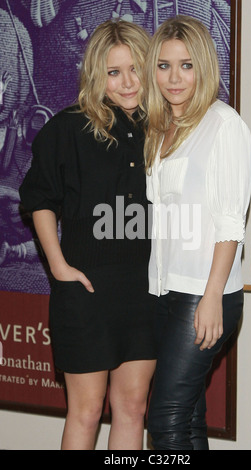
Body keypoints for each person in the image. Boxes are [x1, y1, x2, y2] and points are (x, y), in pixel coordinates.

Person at [19, 19, 157, 450]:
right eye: (115, 72)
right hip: (86, 291)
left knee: (133, 407)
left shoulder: (161, 130)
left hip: (145, 290)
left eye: (136, 68)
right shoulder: (68, 128)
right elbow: (38, 198)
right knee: (86, 410)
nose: (128, 82)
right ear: (97, 75)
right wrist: (58, 266)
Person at [143, 15, 251, 450]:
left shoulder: (223, 125)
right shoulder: (159, 128)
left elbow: (230, 222)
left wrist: (210, 296)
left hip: (203, 293)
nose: (174, 78)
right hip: (165, 291)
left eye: (186, 65)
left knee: (164, 419)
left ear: (204, 66)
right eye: (164, 65)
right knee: (187, 418)